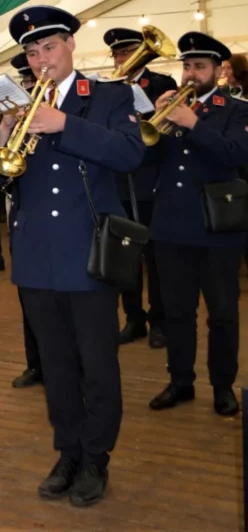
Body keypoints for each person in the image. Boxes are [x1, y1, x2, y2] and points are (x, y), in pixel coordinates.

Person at [0, 5, 144, 507]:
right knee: (56, 364)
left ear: (71, 45)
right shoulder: (21, 104)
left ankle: (96, 458)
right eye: (31, 52)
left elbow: (131, 154)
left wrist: (63, 125)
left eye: (48, 47)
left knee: (97, 364)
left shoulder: (110, 96)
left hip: (88, 251)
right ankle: (67, 449)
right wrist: (3, 138)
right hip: (36, 257)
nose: (40, 59)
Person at [147, 32, 248, 417]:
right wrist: (152, 123)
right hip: (172, 225)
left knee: (222, 311)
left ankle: (222, 384)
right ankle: (180, 380)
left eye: (199, 67)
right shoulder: (171, 106)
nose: (190, 74)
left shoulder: (236, 110)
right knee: (177, 311)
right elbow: (143, 158)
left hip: (217, 226)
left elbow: (235, 154)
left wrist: (193, 123)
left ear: (219, 70)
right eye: (186, 66)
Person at [104, 28, 175, 348]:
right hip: (121, 180)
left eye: (129, 51)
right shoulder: (107, 88)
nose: (123, 58)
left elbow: (168, 128)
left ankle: (160, 319)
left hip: (151, 178)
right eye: (118, 54)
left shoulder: (161, 83)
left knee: (156, 257)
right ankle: (134, 318)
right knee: (126, 255)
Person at [7, 52, 42, 389]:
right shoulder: (19, 116)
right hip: (24, 220)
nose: (31, 87)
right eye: (27, 83)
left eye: (32, 83)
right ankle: (36, 363)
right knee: (29, 301)